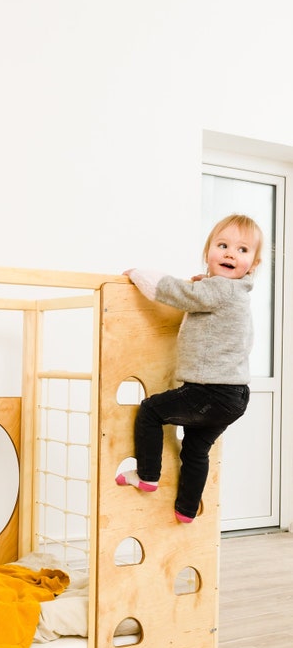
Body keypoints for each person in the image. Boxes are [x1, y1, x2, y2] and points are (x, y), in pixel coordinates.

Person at [117, 213, 263, 523]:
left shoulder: (220, 290)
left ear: (254, 264)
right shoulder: (234, 292)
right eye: (222, 245)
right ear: (208, 252)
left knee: (151, 411)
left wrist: (141, 275)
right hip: (235, 397)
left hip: (210, 392)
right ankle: (186, 510)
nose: (230, 254)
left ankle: (147, 475)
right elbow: (207, 296)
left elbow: (180, 294)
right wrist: (204, 282)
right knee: (196, 449)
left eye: (242, 250)